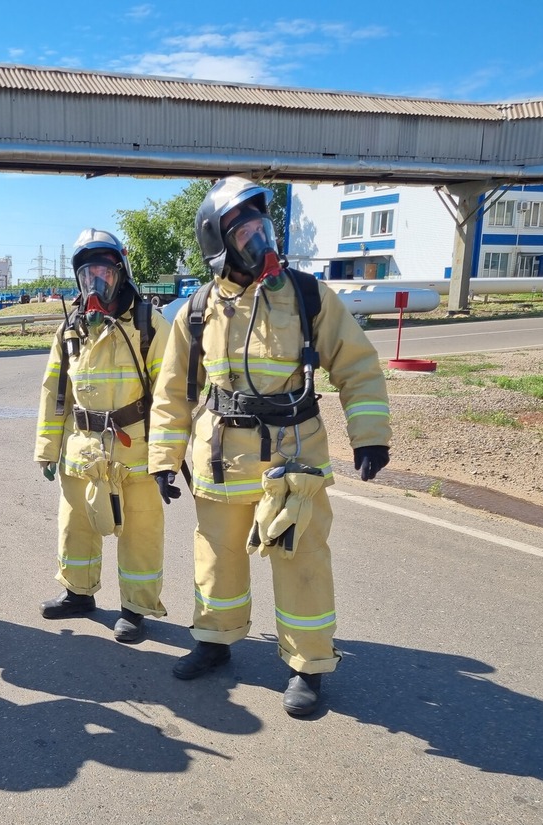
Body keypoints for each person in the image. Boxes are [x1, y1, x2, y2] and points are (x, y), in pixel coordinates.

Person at [148, 177, 392, 715]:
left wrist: (369, 435)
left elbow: (357, 365)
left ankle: (308, 665)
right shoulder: (196, 310)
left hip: (292, 456)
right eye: (245, 232)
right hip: (219, 457)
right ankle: (215, 640)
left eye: (263, 226)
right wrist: (163, 459)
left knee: (302, 558)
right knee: (215, 558)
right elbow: (172, 392)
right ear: (219, 244)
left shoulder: (307, 296)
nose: (260, 239)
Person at [34, 229, 171, 643]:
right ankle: (78, 593)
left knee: (140, 532)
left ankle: (136, 608)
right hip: (82, 450)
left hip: (136, 448)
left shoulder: (147, 324)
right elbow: (55, 392)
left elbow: (170, 393)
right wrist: (46, 449)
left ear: (120, 272)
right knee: (75, 525)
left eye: (104, 272)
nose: (96, 282)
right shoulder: (70, 330)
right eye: (87, 273)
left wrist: (167, 457)